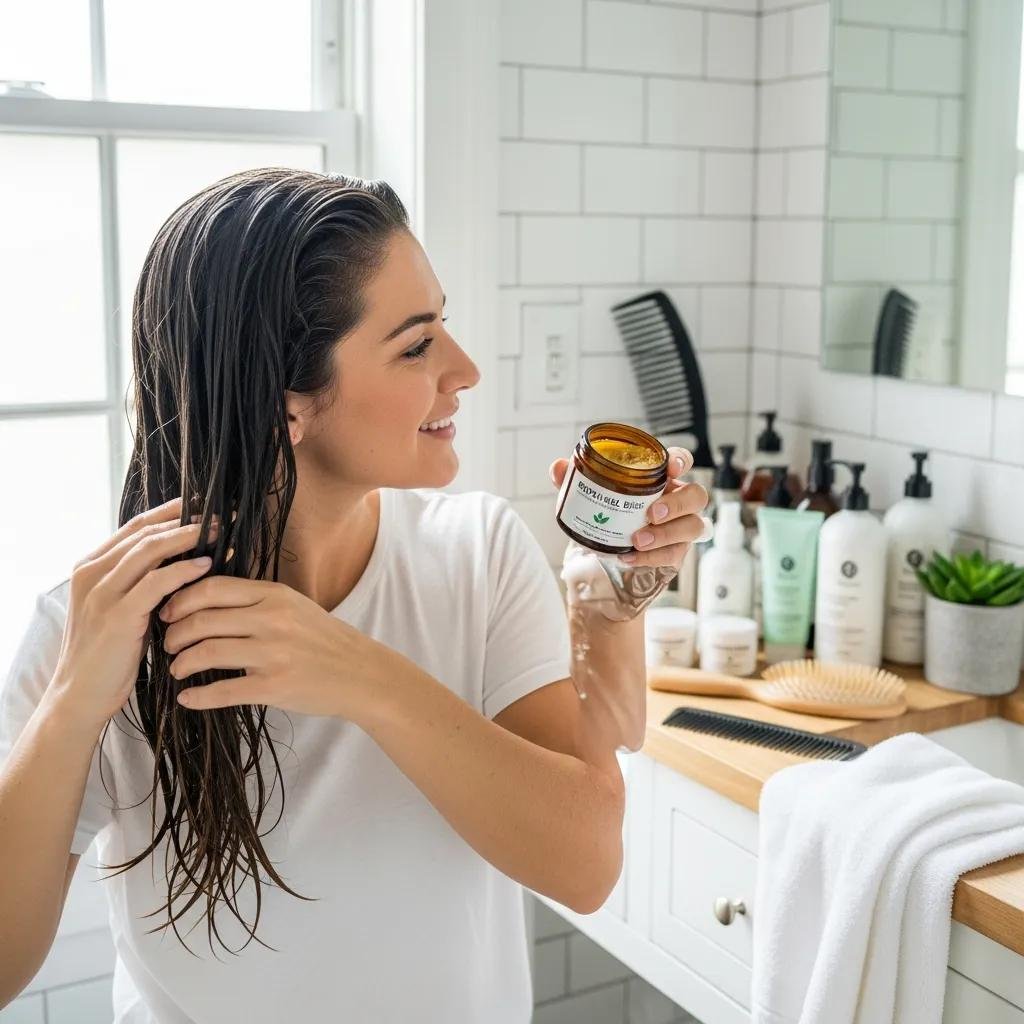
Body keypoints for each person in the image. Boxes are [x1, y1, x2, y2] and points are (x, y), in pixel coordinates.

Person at [0, 169, 706, 1022]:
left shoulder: (476, 556)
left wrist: (363, 676)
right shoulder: (96, 625)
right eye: (416, 345)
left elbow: (586, 865)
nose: (466, 369)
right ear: (286, 401)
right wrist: (75, 703)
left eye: (443, 324)